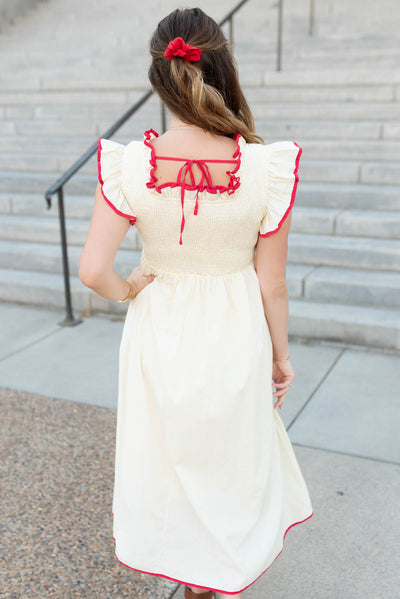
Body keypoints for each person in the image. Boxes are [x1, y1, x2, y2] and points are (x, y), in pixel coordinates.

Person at [79, 7, 313, 599]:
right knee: (229, 459)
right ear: (223, 67)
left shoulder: (131, 164)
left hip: (160, 325)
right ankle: (212, 580)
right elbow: (273, 284)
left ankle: (190, 576)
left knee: (168, 456)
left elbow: (92, 272)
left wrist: (131, 288)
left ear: (160, 78)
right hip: (235, 329)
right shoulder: (263, 167)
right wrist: (281, 356)